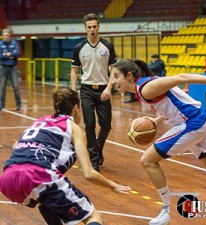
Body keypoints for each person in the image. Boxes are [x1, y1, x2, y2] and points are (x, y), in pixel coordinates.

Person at [110, 58, 206, 225]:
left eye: (116, 76)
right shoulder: (144, 86)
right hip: (200, 119)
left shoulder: (145, 88)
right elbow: (173, 103)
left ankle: (167, 210)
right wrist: (157, 121)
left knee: (148, 160)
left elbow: (181, 78)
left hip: (193, 122)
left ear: (129, 75)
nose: (113, 81)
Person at [0, 87, 131, 225]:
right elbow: (88, 173)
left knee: (44, 201)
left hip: (7, 179)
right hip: (39, 174)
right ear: (76, 108)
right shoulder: (73, 127)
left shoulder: (40, 121)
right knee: (92, 216)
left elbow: (17, 146)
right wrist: (112, 185)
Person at [70, 13, 117, 171]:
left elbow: (114, 70)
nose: (92, 30)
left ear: (99, 27)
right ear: (85, 28)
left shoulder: (108, 46)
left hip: (104, 88)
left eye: (94, 26)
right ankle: (94, 160)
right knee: (89, 125)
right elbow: (74, 71)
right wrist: (73, 91)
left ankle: (97, 148)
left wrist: (109, 88)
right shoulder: (79, 48)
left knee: (106, 125)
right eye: (89, 27)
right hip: (86, 90)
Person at [0, 28, 21, 111]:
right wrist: (10, 55)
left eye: (7, 35)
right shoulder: (0, 44)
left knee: (16, 87)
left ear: (9, 35)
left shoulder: (14, 43)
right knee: (2, 87)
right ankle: (1, 104)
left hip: (13, 67)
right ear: (2, 36)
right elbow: (0, 56)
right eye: (4, 35)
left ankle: (18, 104)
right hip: (3, 67)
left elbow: (17, 53)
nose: (6, 37)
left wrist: (8, 54)